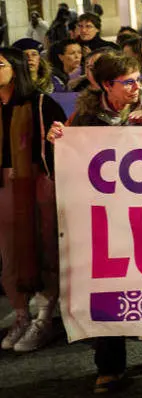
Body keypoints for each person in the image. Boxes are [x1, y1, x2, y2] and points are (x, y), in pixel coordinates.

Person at [47, 52, 142, 393]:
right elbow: (68, 165)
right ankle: (110, 365)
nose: (136, 88)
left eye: (138, 80)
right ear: (106, 86)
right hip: (106, 218)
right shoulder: (85, 119)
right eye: (127, 83)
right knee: (107, 285)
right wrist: (58, 141)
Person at [0, 47, 65, 355]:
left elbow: (62, 145)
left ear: (15, 68)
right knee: (8, 256)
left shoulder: (41, 103)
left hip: (37, 186)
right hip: (3, 188)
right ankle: (21, 316)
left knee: (43, 250)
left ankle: (44, 318)